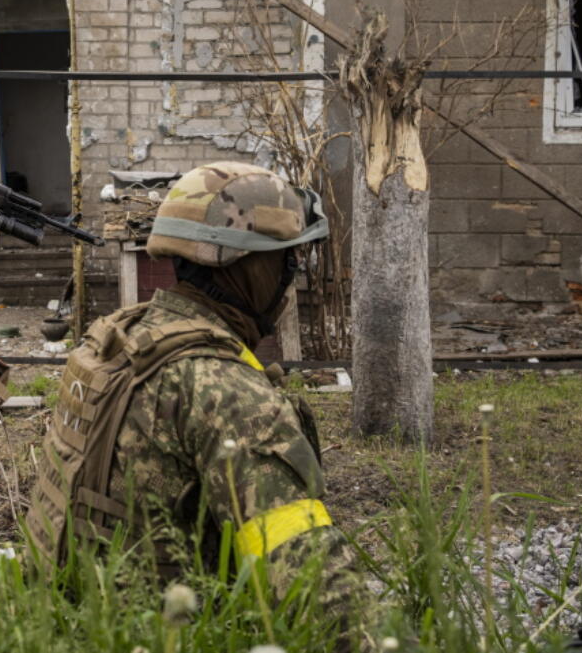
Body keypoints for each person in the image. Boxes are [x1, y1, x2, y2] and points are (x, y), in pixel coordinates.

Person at [26, 161, 353, 604]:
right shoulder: (225, 391)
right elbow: (315, 589)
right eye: (285, 262)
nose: (290, 278)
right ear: (247, 266)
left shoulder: (113, 342)